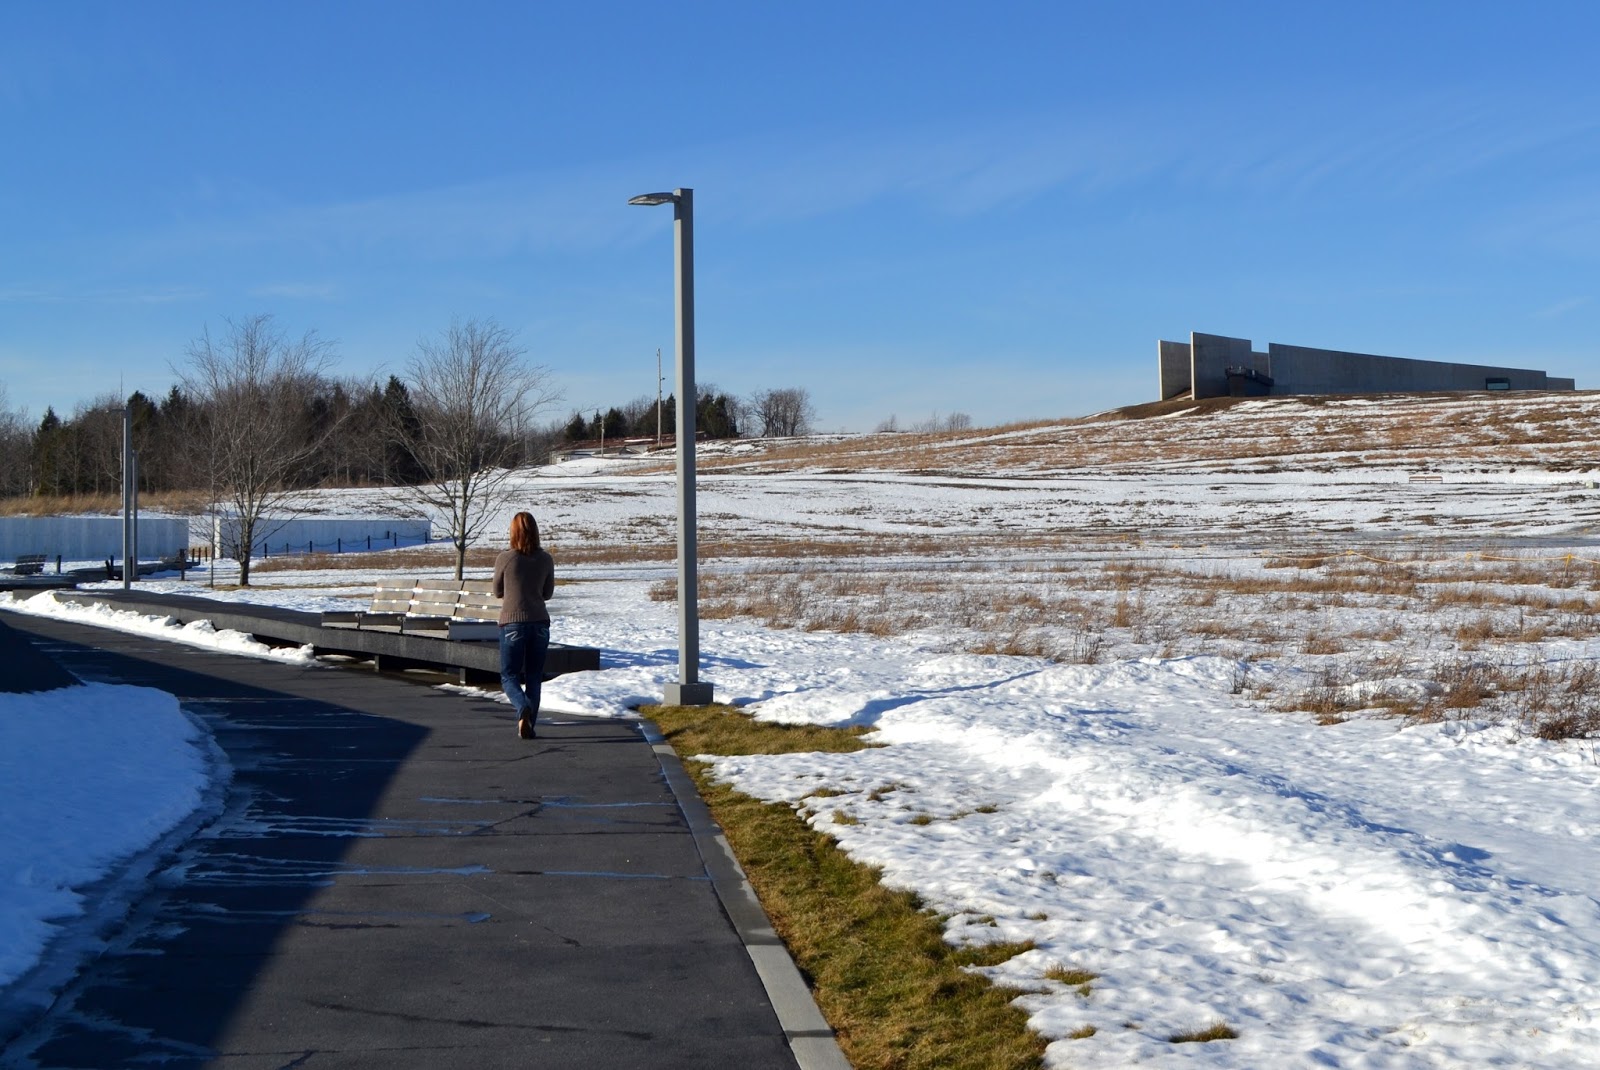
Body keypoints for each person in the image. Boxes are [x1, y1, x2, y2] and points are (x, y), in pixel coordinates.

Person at [493, 511, 555, 739]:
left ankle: (522, 708)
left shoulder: (505, 558)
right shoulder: (546, 559)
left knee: (509, 675)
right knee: (534, 676)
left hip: (512, 624)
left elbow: (497, 591)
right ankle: (527, 723)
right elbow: (547, 593)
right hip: (540, 622)